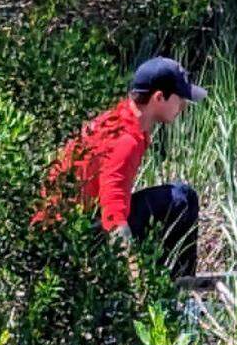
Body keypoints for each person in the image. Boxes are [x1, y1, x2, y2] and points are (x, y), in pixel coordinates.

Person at [34, 57, 207, 282]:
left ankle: (168, 281)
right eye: (180, 98)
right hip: (72, 243)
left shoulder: (121, 119)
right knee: (182, 199)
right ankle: (178, 293)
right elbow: (113, 213)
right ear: (158, 98)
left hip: (71, 231)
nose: (183, 106)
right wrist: (135, 278)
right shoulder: (126, 140)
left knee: (178, 197)